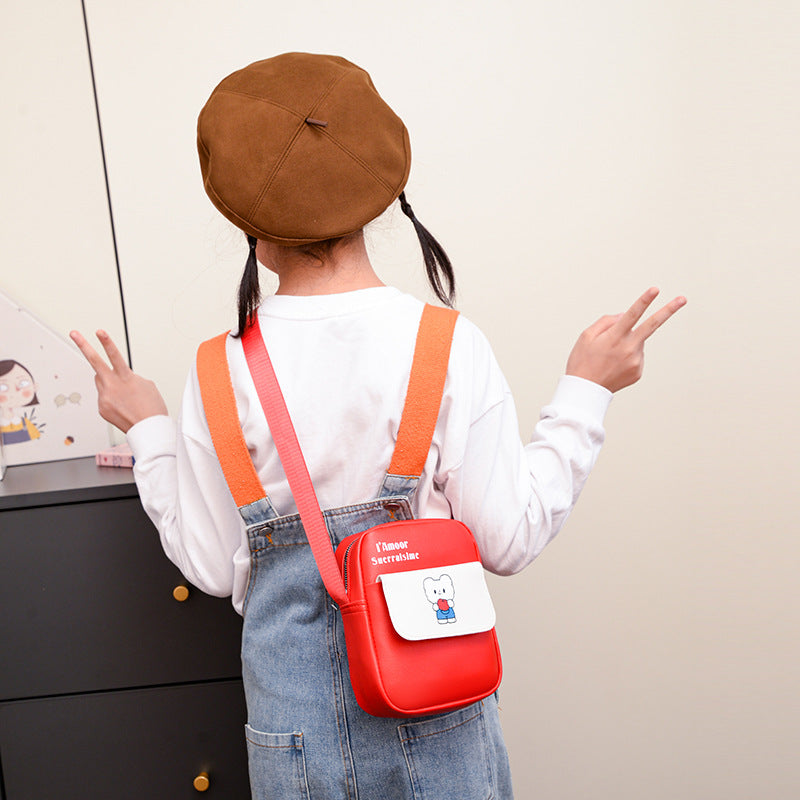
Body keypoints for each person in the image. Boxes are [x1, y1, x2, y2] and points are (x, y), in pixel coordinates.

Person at [71, 53, 686, 800]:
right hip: (444, 723)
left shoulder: (215, 374)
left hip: (291, 740)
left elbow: (208, 562)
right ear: (379, 190)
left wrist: (149, 431)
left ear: (246, 221)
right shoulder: (446, 345)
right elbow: (509, 538)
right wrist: (586, 391)